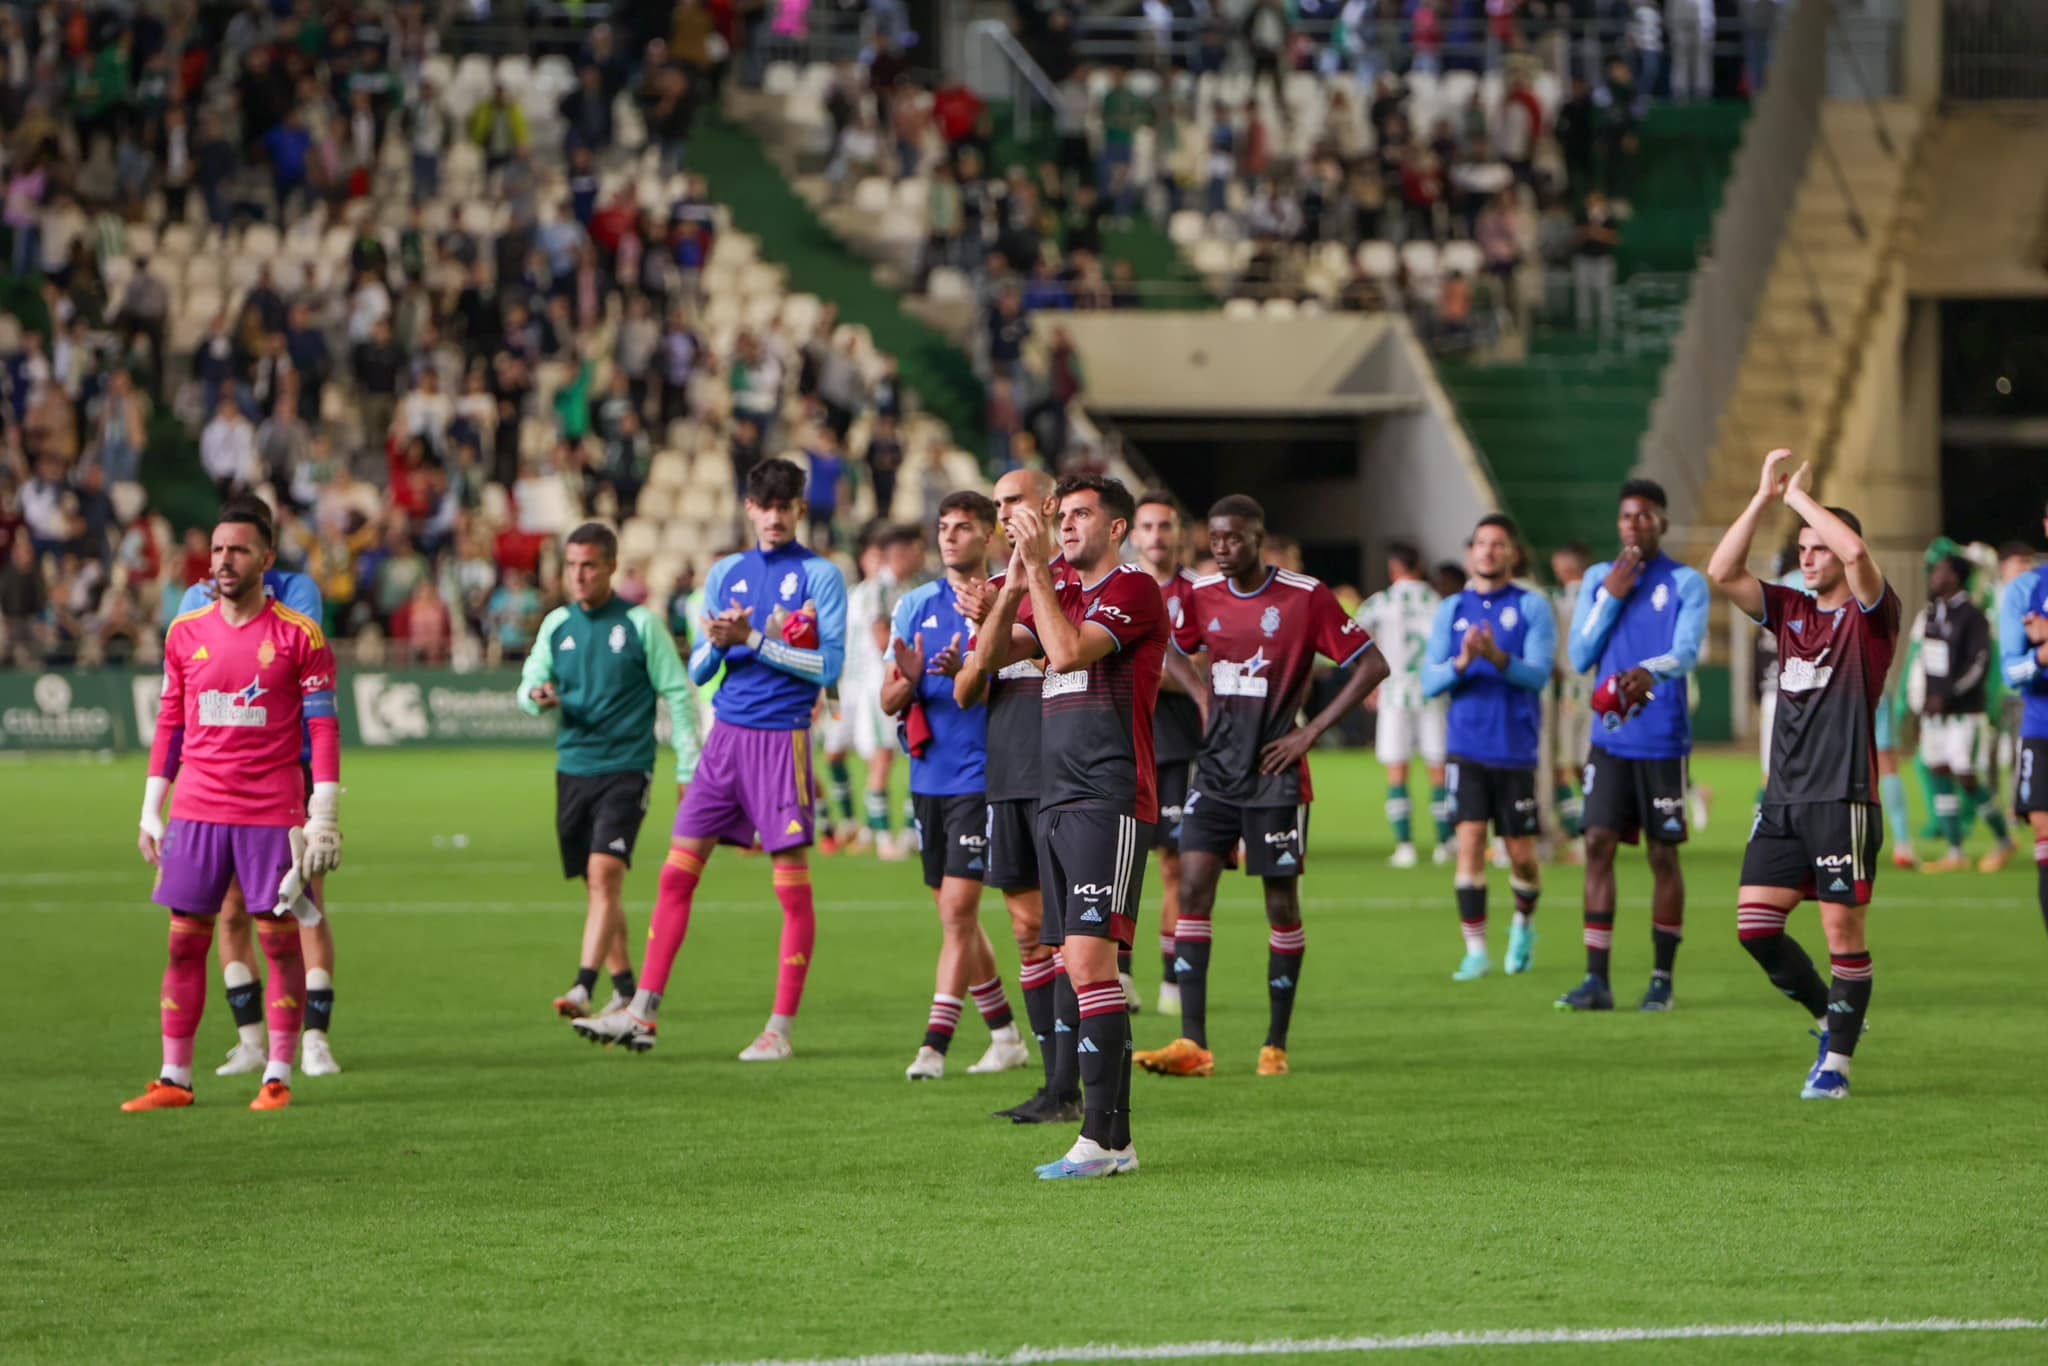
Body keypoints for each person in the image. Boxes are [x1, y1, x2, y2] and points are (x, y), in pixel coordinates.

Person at [573, 459, 846, 1061]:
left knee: (792, 894)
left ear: (799, 510)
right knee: (674, 874)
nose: (773, 517)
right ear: (749, 508)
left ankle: (779, 1030)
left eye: (784, 506)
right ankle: (642, 1014)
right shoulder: (725, 573)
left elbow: (828, 668)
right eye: (763, 505)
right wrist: (719, 643)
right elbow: (699, 666)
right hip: (725, 738)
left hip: (783, 741)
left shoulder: (821, 577)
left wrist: (751, 641)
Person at [1137, 497, 1387, 1079]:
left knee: (1280, 902)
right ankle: (1192, 1044)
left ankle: (1275, 1042)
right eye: (1214, 540)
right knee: (1193, 887)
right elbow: (1171, 648)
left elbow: (1372, 665)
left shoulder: (1304, 596)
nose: (1222, 549)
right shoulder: (1201, 593)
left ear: (1258, 537)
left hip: (1276, 775)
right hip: (1217, 771)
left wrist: (1312, 733)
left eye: (1234, 539)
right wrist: (1200, 696)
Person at [965, 473, 1166, 1178]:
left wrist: (1041, 575)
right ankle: (1111, 1144)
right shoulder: (1063, 589)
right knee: (1079, 968)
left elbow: (1070, 651)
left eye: (1082, 515)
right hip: (1056, 795)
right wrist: (1019, 579)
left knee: (1088, 963)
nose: (1068, 523)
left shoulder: (1133, 589)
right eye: (1064, 515)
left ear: (1116, 529)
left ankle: (1103, 1140)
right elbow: (988, 660)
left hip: (1108, 796)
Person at [126, 508, 343, 1113]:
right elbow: (169, 721)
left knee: (278, 943)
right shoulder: (185, 631)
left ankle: (277, 1073)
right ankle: (175, 1077)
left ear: (266, 560)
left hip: (270, 809)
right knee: (183, 943)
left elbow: (323, 728)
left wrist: (322, 811)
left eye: (240, 551)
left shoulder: (300, 634)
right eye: (218, 550)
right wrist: (151, 808)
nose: (224, 561)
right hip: (197, 810)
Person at [1707, 449, 1899, 1100]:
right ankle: (1831, 1018)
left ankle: (1836, 1067)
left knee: (1843, 931)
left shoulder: (1871, 618)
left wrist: (1800, 500)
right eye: (1802, 549)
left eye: (1818, 548)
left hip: (1843, 799)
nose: (1808, 557)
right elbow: (1721, 569)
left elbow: (1856, 559)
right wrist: (1764, 497)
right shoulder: (1790, 611)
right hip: (1783, 800)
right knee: (1755, 928)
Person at [520, 523, 702, 1022]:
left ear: (610, 568)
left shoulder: (641, 625)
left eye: (589, 566)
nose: (578, 575)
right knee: (600, 886)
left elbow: (678, 695)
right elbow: (529, 682)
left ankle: (583, 986)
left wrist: (689, 765)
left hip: (626, 767)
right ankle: (624, 988)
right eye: (572, 566)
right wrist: (537, 699)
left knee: (604, 874)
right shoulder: (557, 624)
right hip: (573, 767)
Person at [884, 492, 1029, 1081]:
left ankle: (933, 1046)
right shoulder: (914, 605)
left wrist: (971, 668)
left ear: (988, 537)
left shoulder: (1003, 601)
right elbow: (888, 698)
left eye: (963, 527)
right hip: (929, 776)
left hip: (982, 775)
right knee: (956, 917)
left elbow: (1014, 686)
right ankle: (1006, 1036)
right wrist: (914, 680)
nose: (949, 537)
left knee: (957, 911)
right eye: (943, 527)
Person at [953, 468, 1077, 1126]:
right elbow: (968, 689)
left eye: (1014, 501)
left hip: (1070, 776)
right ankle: (1056, 1086)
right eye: (996, 504)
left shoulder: (1082, 582)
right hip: (1009, 775)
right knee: (1029, 933)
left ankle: (1076, 1080)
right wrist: (1002, 605)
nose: (1003, 513)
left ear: (1050, 505)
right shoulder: (995, 591)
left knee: (1073, 941)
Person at [1556, 481, 1709, 1013]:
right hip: (1610, 740)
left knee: (1662, 854)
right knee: (1596, 843)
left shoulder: (1686, 582)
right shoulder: (1601, 578)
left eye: (1644, 516)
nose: (1633, 525)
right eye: (1626, 517)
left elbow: (1687, 652)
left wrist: (1650, 670)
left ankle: (1662, 980)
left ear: (1662, 523)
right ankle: (1596, 980)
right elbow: (1579, 654)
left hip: (1663, 739)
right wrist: (1611, 598)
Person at [1422, 515, 1557, 982]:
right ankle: (1475, 950)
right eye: (1481, 543)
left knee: (1520, 852)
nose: (1488, 551)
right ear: (1469, 555)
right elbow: (1430, 680)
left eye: (1498, 544)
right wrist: (1462, 660)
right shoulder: (1451, 609)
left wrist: (1498, 657)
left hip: (1515, 748)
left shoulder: (1533, 607)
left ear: (1512, 554)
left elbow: (1539, 675)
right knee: (1471, 842)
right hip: (1466, 747)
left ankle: (1523, 924)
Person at [1132, 493, 1205, 1015]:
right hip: (1119, 743)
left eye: (1166, 526)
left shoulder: (1200, 593)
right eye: (1148, 526)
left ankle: (1172, 980)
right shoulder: (1116, 587)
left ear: (1179, 534)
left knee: (1174, 868)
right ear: (1132, 534)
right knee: (1119, 866)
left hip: (1178, 747)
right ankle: (1117, 974)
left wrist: (1137, 665)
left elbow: (1202, 667)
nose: (1157, 535)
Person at [1915, 553, 2014, 873]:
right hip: (1935, 711)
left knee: (1967, 775)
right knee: (1940, 770)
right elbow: (1927, 661)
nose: (1934, 575)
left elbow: (1979, 662)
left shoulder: (1972, 615)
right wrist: (1925, 698)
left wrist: (1949, 694)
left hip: (1965, 712)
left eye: (1941, 570)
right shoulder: (1932, 612)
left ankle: (2004, 839)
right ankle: (1955, 851)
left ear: (1956, 576)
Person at [1358, 541, 1453, 869]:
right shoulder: (1437, 601)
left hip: (1395, 692)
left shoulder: (1382, 602)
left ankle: (1405, 847)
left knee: (1398, 771)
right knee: (1438, 770)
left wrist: (1368, 682)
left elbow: (1357, 636)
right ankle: (1445, 844)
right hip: (1432, 692)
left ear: (1394, 568)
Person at [1998, 505, 2048, 937]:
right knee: (2045, 837)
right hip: (2042, 727)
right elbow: (2010, 671)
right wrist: (2041, 654)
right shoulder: (2026, 590)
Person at [1546, 544, 1594, 859]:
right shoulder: (1600, 600)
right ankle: (1594, 828)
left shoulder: (1556, 602)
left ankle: (1578, 836)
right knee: (1586, 767)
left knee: (1562, 767)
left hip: (1566, 693)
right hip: (1596, 692)